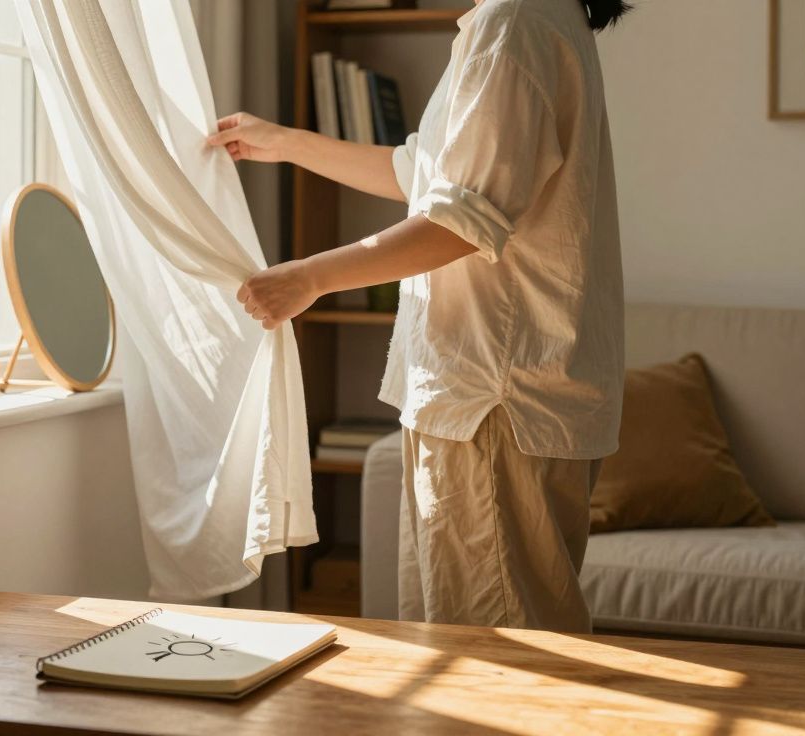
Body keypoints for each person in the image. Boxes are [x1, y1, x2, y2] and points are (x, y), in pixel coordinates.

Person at [206, 0, 631, 633]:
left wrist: (310, 277)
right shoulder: (533, 17)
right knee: (492, 643)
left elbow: (460, 221)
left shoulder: (514, 22)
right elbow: (422, 175)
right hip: (497, 398)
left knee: (497, 658)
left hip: (491, 401)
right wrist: (285, 142)